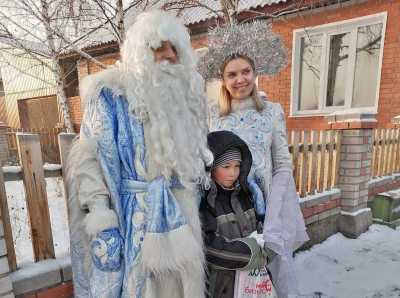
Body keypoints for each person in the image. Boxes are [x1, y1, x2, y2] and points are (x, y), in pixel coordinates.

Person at [66, 10, 213, 298]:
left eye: (175, 48)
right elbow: (88, 159)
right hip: (134, 220)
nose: (168, 56)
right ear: (140, 53)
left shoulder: (186, 100)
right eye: (159, 47)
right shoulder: (111, 96)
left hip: (182, 218)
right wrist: (100, 214)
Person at [205, 22, 309, 298]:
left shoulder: (272, 112)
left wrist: (275, 210)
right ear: (223, 79)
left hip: (264, 208)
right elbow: (206, 162)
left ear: (255, 73)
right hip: (228, 209)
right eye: (232, 74)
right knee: (234, 274)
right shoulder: (212, 115)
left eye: (245, 72)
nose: (240, 79)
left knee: (266, 276)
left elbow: (283, 164)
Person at [201, 130, 276, 298]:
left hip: (252, 284)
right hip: (222, 287)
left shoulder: (247, 195)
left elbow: (261, 229)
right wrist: (251, 254)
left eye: (237, 166)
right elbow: (209, 248)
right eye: (226, 166)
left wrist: (268, 246)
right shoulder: (207, 202)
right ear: (211, 167)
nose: (233, 173)